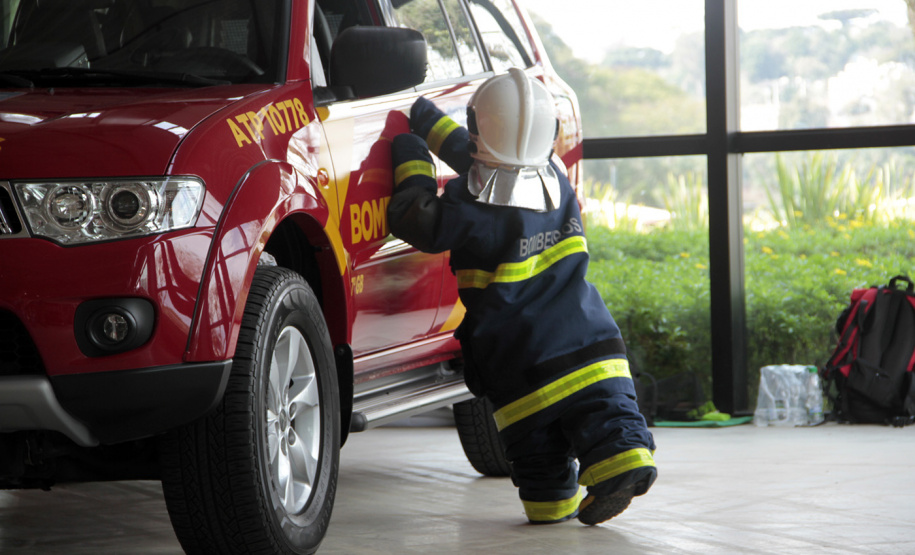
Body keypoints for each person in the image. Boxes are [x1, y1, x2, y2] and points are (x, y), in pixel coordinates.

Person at [387, 68, 656, 525]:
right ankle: (623, 458)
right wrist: (429, 119)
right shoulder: (557, 179)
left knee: (535, 444)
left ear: (478, 127)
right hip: (589, 341)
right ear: (549, 131)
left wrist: (412, 151)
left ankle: (549, 499)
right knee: (608, 413)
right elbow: (498, 153)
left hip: (518, 359)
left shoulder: (469, 205)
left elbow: (417, 217)